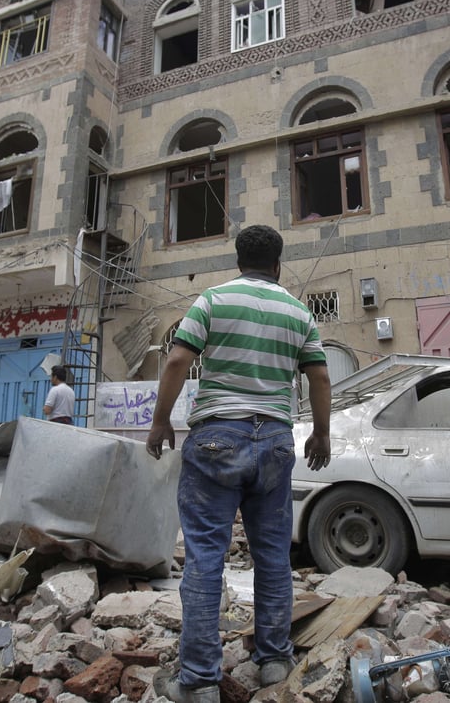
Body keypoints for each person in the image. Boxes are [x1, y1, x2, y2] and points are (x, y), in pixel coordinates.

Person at [146, 225, 333, 703]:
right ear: (277, 264)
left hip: (215, 437)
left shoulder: (212, 300)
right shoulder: (298, 311)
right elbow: (318, 374)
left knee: (206, 557)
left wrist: (161, 422)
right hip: (273, 439)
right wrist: (321, 432)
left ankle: (199, 681)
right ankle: (273, 660)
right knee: (272, 554)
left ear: (238, 261)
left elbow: (176, 361)